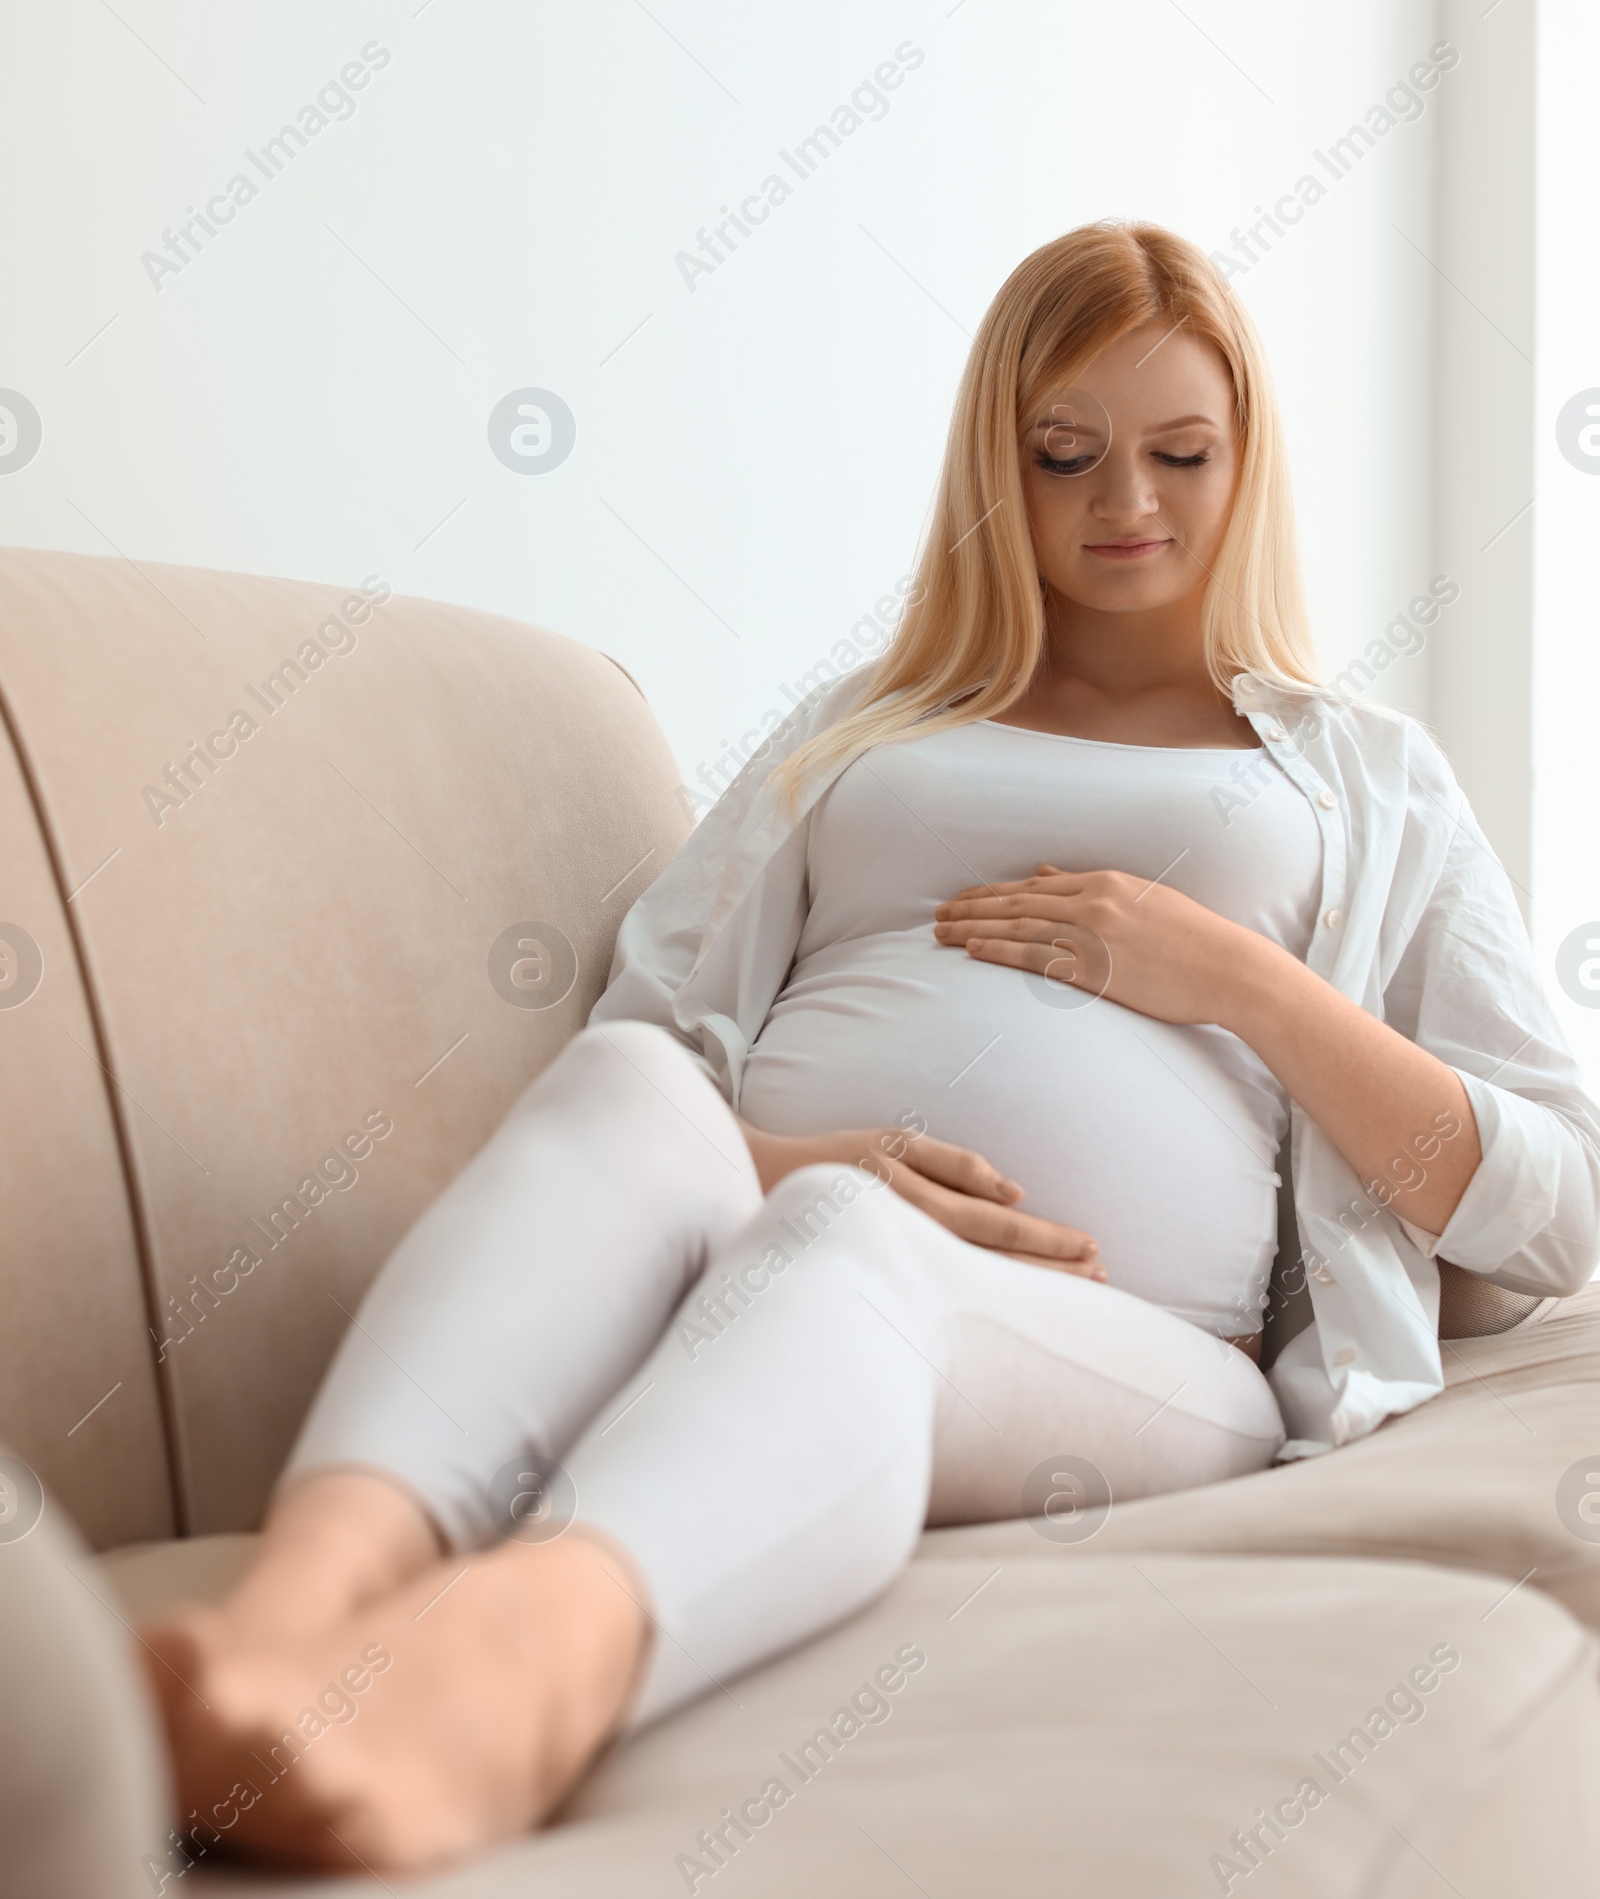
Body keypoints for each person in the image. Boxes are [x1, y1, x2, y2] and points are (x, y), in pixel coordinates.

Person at [142, 221, 1600, 1875]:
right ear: (1002, 465)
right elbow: (656, 1036)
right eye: (1067, 456)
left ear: (1247, 462)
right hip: (763, 1229)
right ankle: (281, 1623)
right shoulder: (868, 725)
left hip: (1131, 1352)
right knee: (628, 1095)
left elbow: (1556, 1214)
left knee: (856, 1244)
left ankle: (511, 1685)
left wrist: (1240, 983)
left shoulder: (1365, 774)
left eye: (1180, 453)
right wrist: (783, 1157)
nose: (1127, 503)